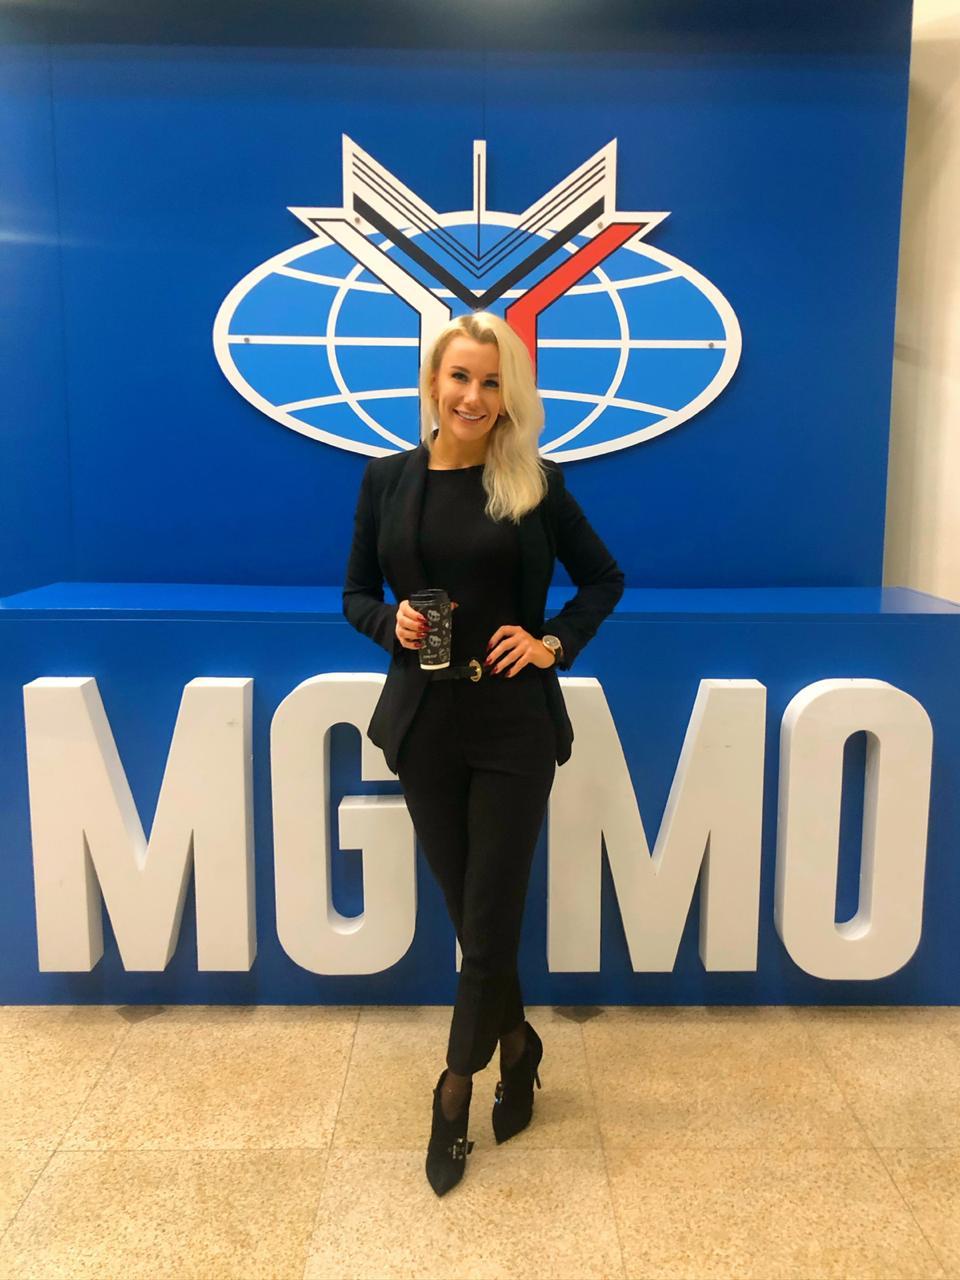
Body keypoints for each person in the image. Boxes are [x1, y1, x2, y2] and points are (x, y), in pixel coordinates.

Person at [342, 311, 624, 1195]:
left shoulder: (534, 483)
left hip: (512, 727)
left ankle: (454, 1091)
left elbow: (604, 578)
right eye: (460, 377)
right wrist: (391, 622)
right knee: (476, 919)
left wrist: (552, 643)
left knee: (489, 917)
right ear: (434, 383)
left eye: (492, 381)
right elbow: (354, 592)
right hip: (425, 724)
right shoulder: (387, 480)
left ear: (510, 395)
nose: (474, 395)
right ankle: (518, 1042)